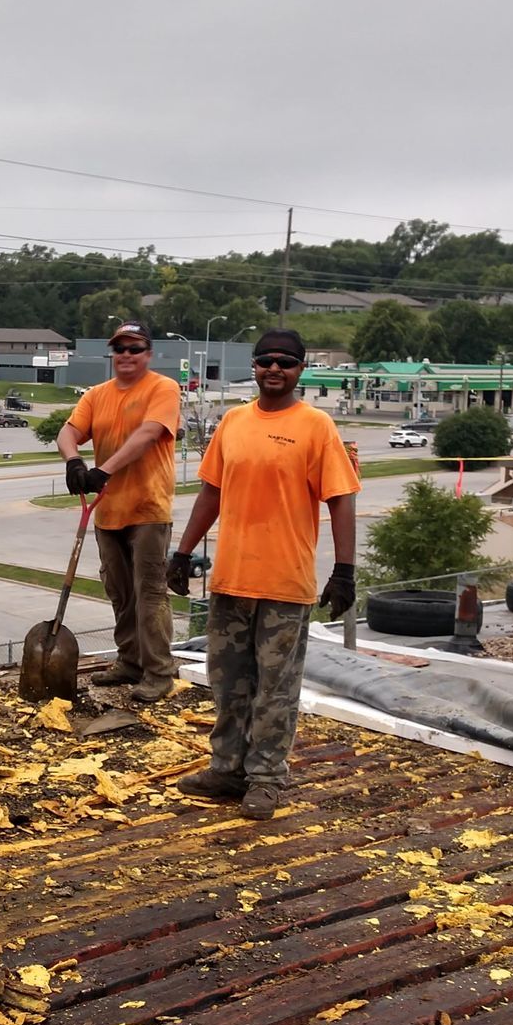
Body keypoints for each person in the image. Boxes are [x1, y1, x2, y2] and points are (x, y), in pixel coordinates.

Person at [166, 327, 359, 821]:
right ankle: (227, 769)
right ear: (253, 366)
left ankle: (267, 779)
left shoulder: (316, 426)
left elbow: (341, 500)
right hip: (231, 577)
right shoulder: (232, 422)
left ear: (300, 370)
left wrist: (344, 570)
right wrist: (183, 552)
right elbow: (211, 492)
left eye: (286, 362)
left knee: (276, 688)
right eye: (266, 360)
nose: (275, 368)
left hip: (285, 582)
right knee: (228, 683)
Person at [56, 321, 182, 702]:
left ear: (148, 354)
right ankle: (129, 660)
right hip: (107, 510)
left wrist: (103, 469)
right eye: (120, 349)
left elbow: (147, 434)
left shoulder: (163, 388)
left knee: (151, 593)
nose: (126, 355)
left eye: (135, 349)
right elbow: (67, 432)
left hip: (148, 507)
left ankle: (159, 671)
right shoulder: (97, 394)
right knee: (119, 592)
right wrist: (74, 461)